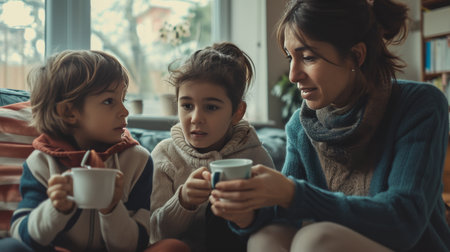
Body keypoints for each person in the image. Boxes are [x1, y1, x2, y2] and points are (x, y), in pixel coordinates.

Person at [208, 0, 450, 251]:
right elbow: (284, 213)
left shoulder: (419, 105)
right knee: (266, 237)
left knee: (315, 240)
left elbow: (403, 220)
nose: (293, 75)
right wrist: (245, 213)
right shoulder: (300, 126)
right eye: (291, 57)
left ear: (356, 56)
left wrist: (293, 193)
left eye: (308, 57)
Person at [7, 50, 190, 252]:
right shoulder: (40, 163)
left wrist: (112, 207)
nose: (125, 111)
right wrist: (56, 209)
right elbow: (23, 236)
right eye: (109, 101)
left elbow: (135, 244)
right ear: (68, 112)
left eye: (124, 99)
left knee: (174, 247)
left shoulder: (137, 161)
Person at [149, 42, 275, 252]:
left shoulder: (255, 156)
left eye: (211, 107)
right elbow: (154, 233)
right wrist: (183, 201)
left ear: (237, 112)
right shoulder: (165, 156)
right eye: (187, 106)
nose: (196, 118)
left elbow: (274, 221)